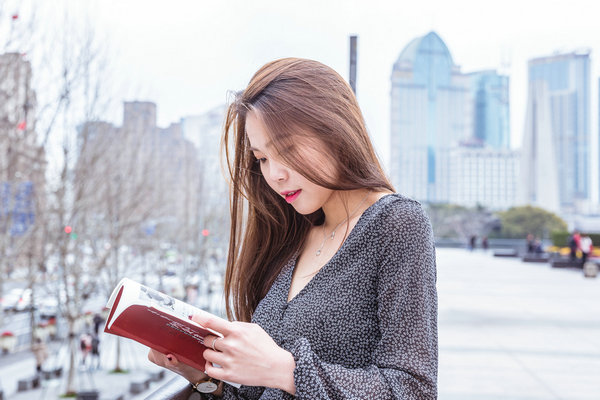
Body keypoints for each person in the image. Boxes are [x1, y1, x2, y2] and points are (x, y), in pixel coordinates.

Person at [147, 58, 438, 399]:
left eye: (287, 149)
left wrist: (286, 370)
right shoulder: (293, 235)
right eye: (262, 158)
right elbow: (263, 393)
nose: (274, 175)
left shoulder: (396, 223)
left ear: (335, 131)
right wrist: (201, 373)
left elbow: (413, 390)